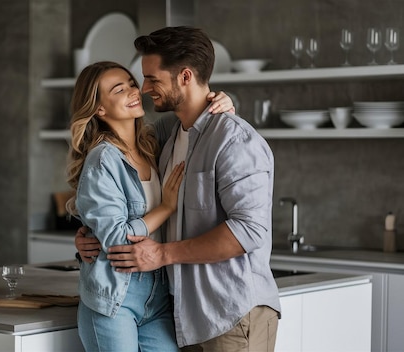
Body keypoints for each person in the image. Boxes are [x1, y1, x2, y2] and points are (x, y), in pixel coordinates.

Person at [75, 26, 280, 352]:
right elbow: (112, 192)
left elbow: (249, 230)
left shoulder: (233, 140)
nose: (143, 89)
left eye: (151, 79)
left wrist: (161, 254)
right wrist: (91, 232)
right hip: (183, 315)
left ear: (185, 76)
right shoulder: (167, 136)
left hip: (233, 312)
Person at [67, 61, 234, 352]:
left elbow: (195, 113)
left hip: (159, 294)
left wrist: (224, 100)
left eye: (132, 83)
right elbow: (118, 241)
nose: (134, 91)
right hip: (115, 297)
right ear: (99, 109)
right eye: (119, 90)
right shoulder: (103, 160)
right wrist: (165, 207)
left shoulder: (152, 143)